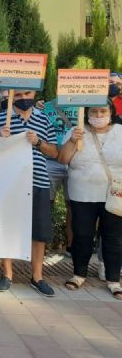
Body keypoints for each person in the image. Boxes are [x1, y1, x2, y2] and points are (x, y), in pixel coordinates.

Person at [0, 89, 58, 296]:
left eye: (27, 94)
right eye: (17, 95)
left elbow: (54, 152)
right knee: (7, 228)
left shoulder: (43, 120)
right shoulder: (0, 120)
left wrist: (38, 142)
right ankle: (7, 274)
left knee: (39, 232)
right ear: (10, 98)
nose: (23, 99)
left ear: (34, 93)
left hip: (38, 182)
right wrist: (1, 141)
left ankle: (37, 277)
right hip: (9, 183)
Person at [58, 100, 122, 299]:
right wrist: (72, 141)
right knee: (83, 234)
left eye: (103, 111)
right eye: (94, 111)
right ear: (87, 113)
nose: (99, 114)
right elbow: (63, 159)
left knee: (114, 237)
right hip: (82, 193)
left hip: (114, 195)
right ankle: (79, 274)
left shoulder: (120, 132)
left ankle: (113, 280)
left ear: (111, 112)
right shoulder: (76, 131)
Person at [38, 97, 79, 253]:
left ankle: (71, 246)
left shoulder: (84, 105)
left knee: (74, 205)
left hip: (75, 161)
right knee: (45, 204)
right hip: (50, 161)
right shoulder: (46, 107)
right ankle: (42, 244)